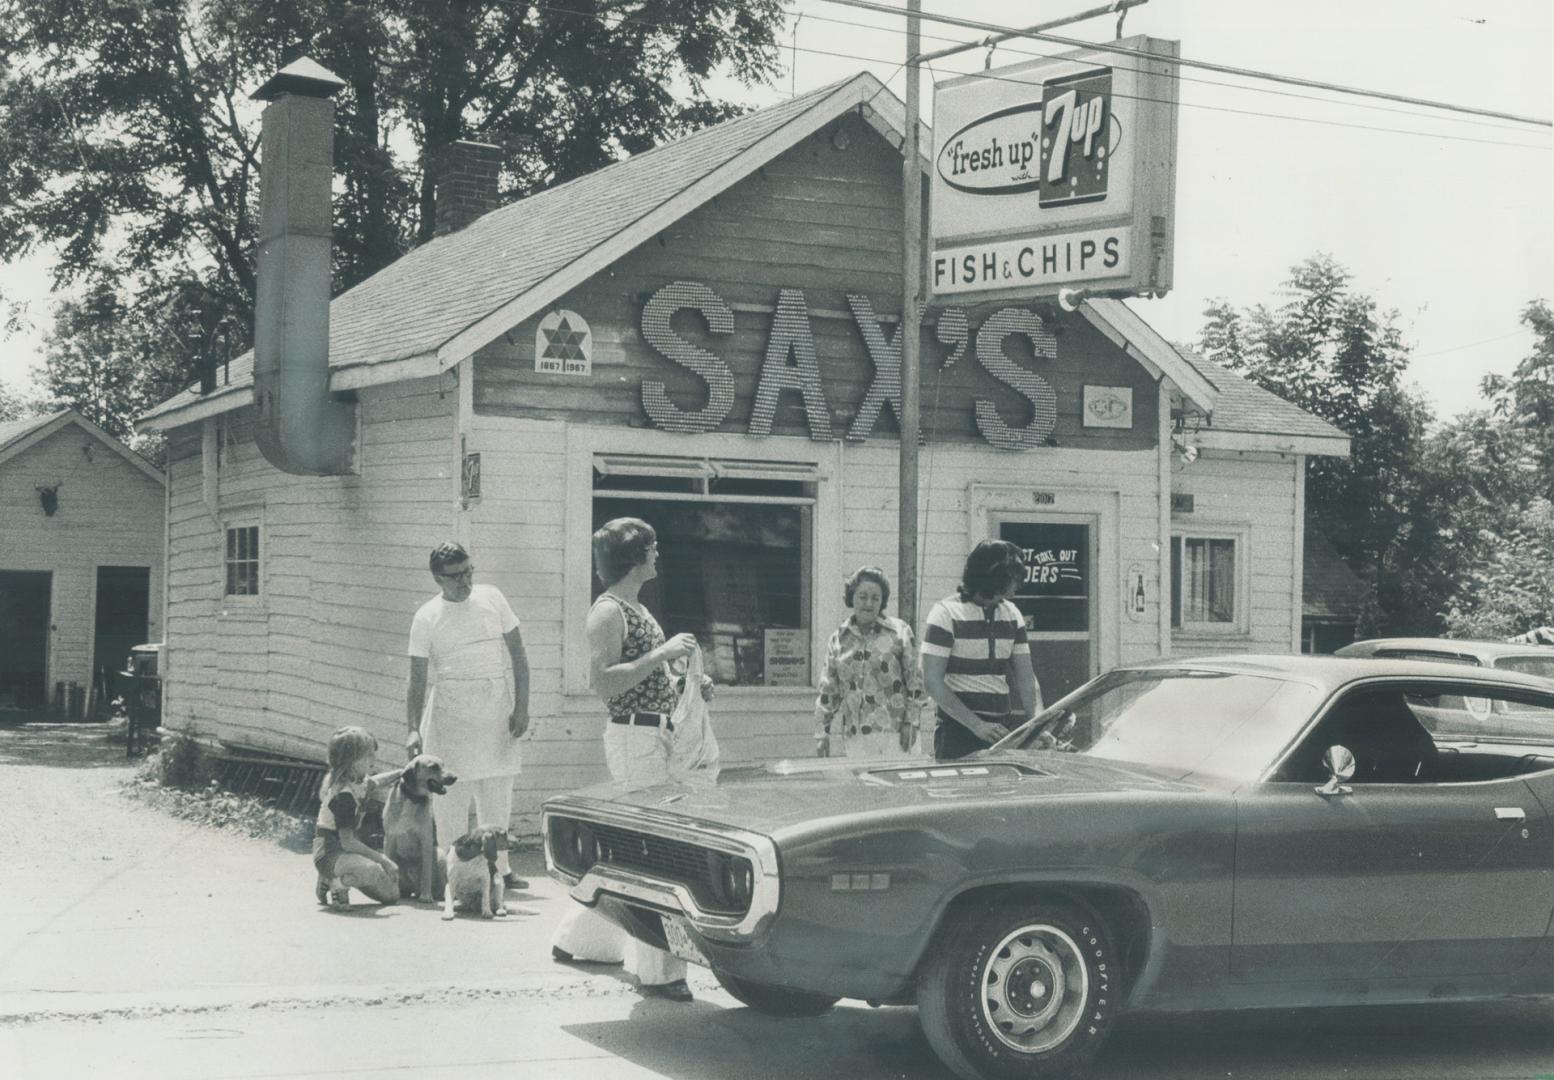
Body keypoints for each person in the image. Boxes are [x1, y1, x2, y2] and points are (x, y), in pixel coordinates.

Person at [550, 517, 705, 1003]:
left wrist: (682, 680)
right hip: (633, 735)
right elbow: (604, 683)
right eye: (652, 548)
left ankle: (580, 939)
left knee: (632, 848)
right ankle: (662, 972)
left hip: (654, 733)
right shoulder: (608, 612)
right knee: (659, 852)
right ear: (634, 557)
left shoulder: (635, 606)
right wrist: (662, 656)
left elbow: (639, 676)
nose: (658, 555)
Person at [405, 542, 531, 890]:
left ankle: (500, 870)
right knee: (451, 802)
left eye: (469, 572)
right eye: (456, 576)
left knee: (496, 792)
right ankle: (452, 873)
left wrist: (522, 706)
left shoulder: (493, 598)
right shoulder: (426, 617)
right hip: (451, 715)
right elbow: (417, 678)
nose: (466, 582)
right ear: (437, 578)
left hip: (495, 711)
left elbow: (518, 655)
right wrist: (413, 729)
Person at [920, 540, 1043, 761]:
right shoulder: (945, 613)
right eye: (1012, 581)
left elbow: (1026, 678)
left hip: (1001, 732)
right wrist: (976, 725)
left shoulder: (1012, 613)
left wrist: (1039, 724)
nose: (1015, 590)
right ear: (994, 579)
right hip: (958, 731)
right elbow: (931, 682)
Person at [815, 566, 928, 758]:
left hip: (897, 736)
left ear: (882, 601)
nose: (868, 603)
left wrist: (911, 722)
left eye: (875, 598)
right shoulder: (839, 639)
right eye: (862, 596)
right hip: (856, 738)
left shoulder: (899, 632)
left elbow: (916, 683)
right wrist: (822, 733)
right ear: (852, 598)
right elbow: (828, 691)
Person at [313, 726, 402, 907]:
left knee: (392, 895)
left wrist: (402, 772)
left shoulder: (358, 781)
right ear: (351, 760)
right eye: (368, 755)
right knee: (370, 870)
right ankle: (336, 883)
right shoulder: (343, 795)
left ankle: (329, 877)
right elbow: (348, 842)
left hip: (347, 855)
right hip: (330, 852)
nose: (374, 758)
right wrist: (384, 860)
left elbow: (377, 781)